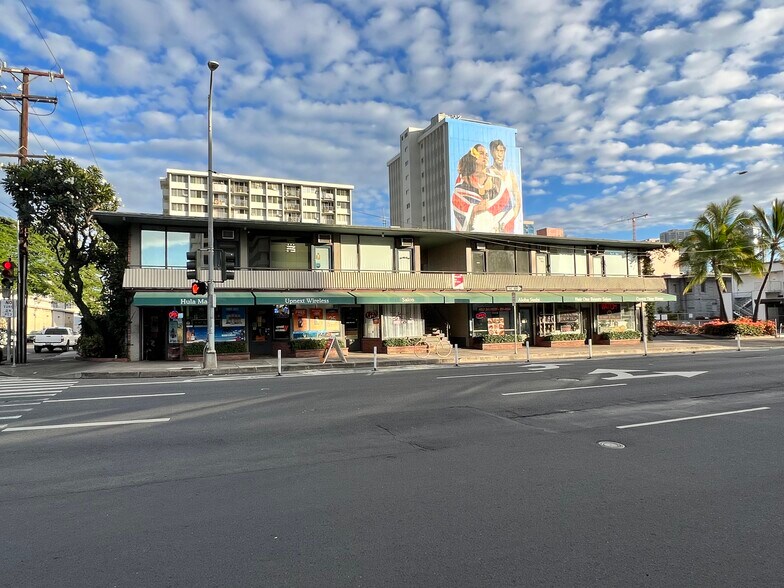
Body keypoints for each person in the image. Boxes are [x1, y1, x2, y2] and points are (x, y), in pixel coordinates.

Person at [451, 144, 499, 232]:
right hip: (472, 236)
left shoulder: (496, 180)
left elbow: (506, 203)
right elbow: (457, 199)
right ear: (473, 156)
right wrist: (475, 209)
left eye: (486, 154)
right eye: (481, 153)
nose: (485, 156)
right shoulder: (464, 181)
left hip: (493, 234)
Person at [488, 139, 522, 233]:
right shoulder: (487, 172)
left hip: (508, 221)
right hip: (493, 221)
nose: (500, 154)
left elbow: (517, 199)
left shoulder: (510, 174)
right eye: (497, 151)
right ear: (492, 152)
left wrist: (512, 215)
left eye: (501, 151)